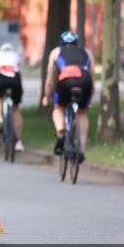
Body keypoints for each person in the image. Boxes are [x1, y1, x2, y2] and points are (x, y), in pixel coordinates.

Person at [42, 30, 93, 163]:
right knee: (82, 112)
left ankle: (60, 132)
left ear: (61, 43)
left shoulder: (55, 52)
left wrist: (46, 97)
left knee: (58, 108)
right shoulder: (87, 52)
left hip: (66, 80)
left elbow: (50, 80)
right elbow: (92, 79)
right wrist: (88, 101)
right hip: (84, 80)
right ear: (76, 43)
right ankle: (82, 148)